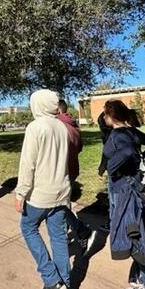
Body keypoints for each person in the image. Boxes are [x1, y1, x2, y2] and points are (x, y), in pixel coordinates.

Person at [15, 89, 73, 289]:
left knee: (28, 228)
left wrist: (21, 193)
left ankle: (52, 280)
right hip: (62, 190)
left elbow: (27, 164)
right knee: (58, 238)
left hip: (40, 194)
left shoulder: (35, 127)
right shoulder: (62, 126)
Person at [103, 99, 145, 289]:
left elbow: (128, 152)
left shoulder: (118, 135)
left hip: (124, 190)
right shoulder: (132, 132)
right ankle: (142, 277)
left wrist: (112, 167)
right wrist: (141, 159)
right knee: (136, 230)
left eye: (105, 114)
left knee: (133, 233)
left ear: (111, 116)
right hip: (133, 185)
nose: (104, 118)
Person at [56, 99, 96, 254]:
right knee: (63, 203)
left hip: (60, 171)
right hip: (71, 169)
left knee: (57, 206)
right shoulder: (74, 126)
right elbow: (79, 148)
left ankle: (82, 231)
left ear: (57, 110)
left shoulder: (57, 125)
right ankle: (66, 235)